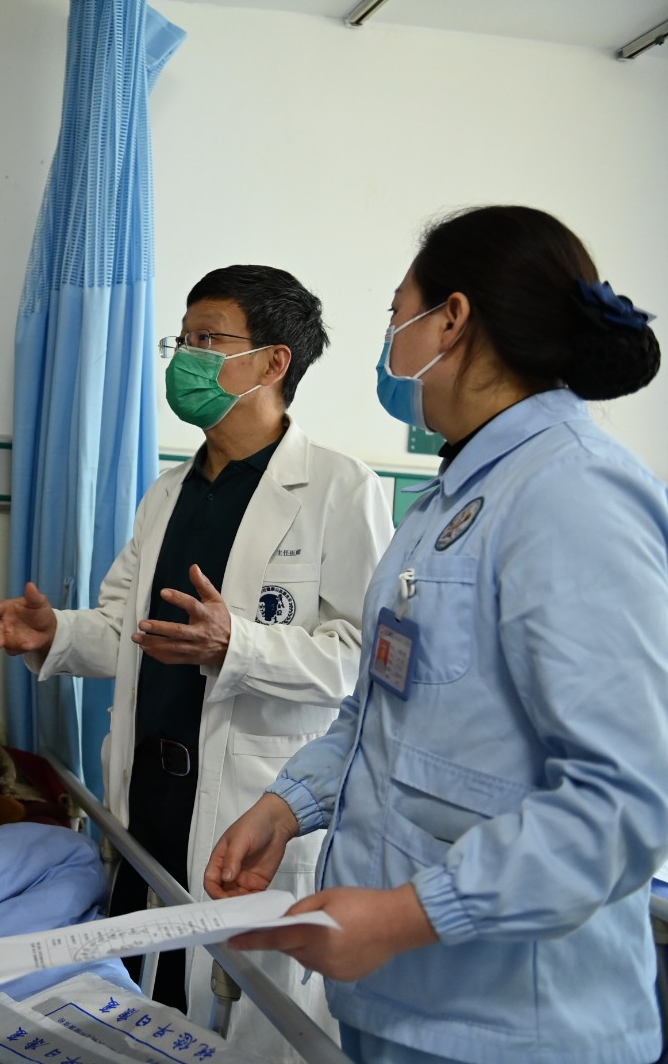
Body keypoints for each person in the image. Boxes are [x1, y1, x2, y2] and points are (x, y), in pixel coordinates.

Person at [209, 205, 668, 1064]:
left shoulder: (571, 493)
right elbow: (381, 714)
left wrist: (404, 917)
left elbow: (624, 800)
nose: (390, 347)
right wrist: (289, 805)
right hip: (406, 1006)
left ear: (451, 319)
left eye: (397, 316)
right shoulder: (449, 503)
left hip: (514, 1030)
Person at [0, 265, 391, 1060]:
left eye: (208, 339)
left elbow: (358, 663)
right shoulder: (167, 493)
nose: (185, 357)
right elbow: (125, 630)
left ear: (273, 362)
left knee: (242, 1012)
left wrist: (237, 643)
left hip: (251, 795)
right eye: (182, 338)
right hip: (151, 789)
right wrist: (53, 633)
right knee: (152, 998)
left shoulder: (341, 489)